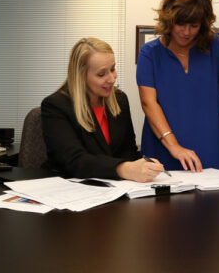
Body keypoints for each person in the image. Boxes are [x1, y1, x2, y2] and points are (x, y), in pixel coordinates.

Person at [136, 0, 219, 173]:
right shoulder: (149, 54)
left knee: (214, 200)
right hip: (164, 147)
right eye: (180, 24)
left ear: (203, 24)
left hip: (209, 146)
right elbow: (149, 103)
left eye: (194, 26)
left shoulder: (215, 46)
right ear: (169, 19)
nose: (186, 32)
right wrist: (174, 146)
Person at [41, 37, 164, 182]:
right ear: (81, 76)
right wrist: (123, 169)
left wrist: (142, 166)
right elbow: (74, 161)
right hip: (70, 188)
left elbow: (128, 151)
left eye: (112, 69)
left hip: (114, 189)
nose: (112, 79)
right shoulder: (56, 105)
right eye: (101, 74)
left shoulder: (119, 99)